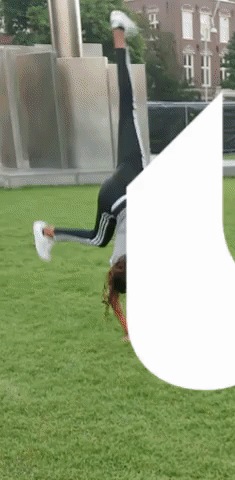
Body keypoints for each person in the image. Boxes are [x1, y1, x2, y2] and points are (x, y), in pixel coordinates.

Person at [32, 11, 145, 343]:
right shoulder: (120, 265)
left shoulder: (137, 262)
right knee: (98, 239)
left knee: (128, 106)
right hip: (115, 193)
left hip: (127, 185)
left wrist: (132, 331)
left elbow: (121, 297)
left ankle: (119, 31)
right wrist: (130, 331)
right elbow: (116, 298)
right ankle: (48, 232)